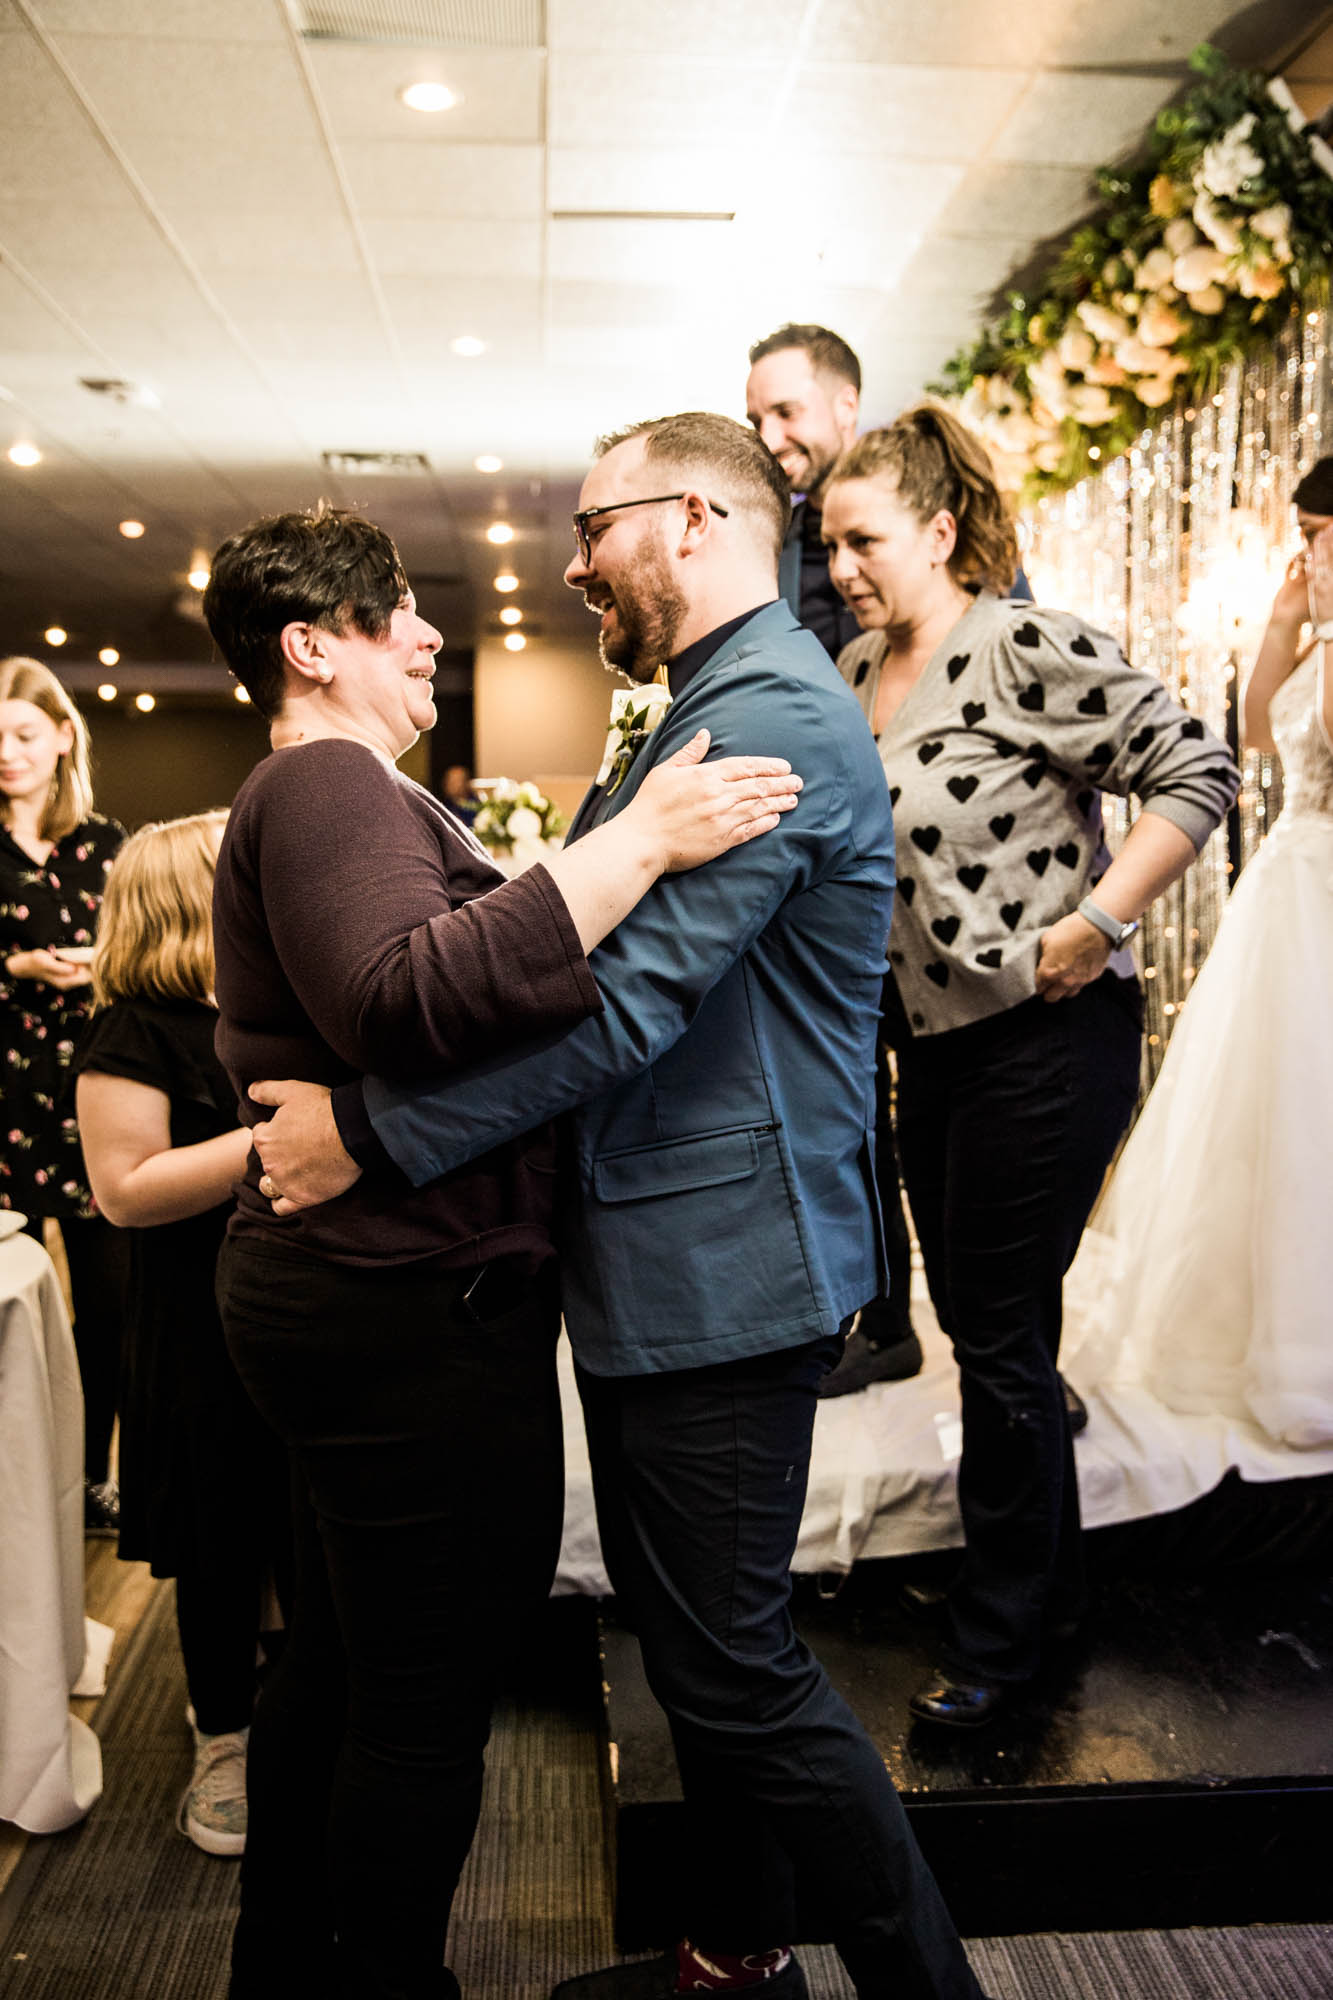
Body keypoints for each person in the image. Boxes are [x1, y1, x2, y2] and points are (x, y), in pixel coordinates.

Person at [247, 416, 990, 2000]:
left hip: (723, 1259)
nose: (575, 564)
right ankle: (736, 1958)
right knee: (708, 1659)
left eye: (595, 528)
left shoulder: (767, 713)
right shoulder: (708, 703)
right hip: (675, 1247)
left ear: (697, 518)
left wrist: (369, 1135)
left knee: (733, 1673)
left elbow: (623, 1006)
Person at [202, 500, 804, 2000]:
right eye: (395, 611)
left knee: (339, 1661)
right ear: (311, 647)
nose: (426, 635)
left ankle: (290, 1971)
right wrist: (642, 842)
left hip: (358, 1287)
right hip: (397, 1301)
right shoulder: (327, 779)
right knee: (418, 1699)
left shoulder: (337, 785)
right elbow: (405, 999)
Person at [820, 404, 1239, 1728]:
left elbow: (1198, 767)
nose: (840, 567)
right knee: (989, 1330)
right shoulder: (850, 670)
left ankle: (1002, 1643)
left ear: (941, 530)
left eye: (863, 540)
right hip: (933, 1046)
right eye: (827, 543)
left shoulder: (1019, 646)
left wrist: (1099, 920)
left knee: (998, 1334)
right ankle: (1041, 1598)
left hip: (1050, 1036)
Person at [1061, 471, 1333, 1447]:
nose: (1304, 550)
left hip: (1321, 883)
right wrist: (1286, 623)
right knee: (1271, 1098)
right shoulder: (1318, 634)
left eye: (1315, 531)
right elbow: (1259, 730)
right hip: (1289, 879)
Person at [73, 810, 288, 1857]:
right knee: (219, 1538)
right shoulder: (134, 1031)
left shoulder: (261, 1006)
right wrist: (278, 1142)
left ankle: (291, 1704)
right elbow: (124, 1190)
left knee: (290, 1520)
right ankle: (222, 1737)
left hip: (288, 1309)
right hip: (197, 1324)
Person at [746, 326, 921, 1394]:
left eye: (786, 411)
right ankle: (880, 1315)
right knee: (849, 1103)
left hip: (902, 861)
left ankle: (997, 1350)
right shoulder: (774, 528)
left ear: (844, 407)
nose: (768, 434)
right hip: (814, 866)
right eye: (754, 414)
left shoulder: (906, 514)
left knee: (913, 1114)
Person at [0, 655, 126, 1531]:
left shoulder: (107, 845)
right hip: (4, 1097)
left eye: (22, 734)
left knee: (107, 1305)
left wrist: (99, 966)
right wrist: (15, 968)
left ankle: (85, 1479)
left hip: (93, 1097)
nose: (7, 753)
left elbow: (146, 953)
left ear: (61, 738)